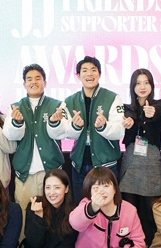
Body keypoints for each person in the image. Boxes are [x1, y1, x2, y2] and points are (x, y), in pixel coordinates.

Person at [48, 56, 124, 201]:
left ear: (99, 74)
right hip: (79, 165)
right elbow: (65, 132)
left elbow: (120, 131)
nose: (89, 74)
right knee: (81, 206)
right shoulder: (70, 101)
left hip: (105, 165)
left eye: (93, 70)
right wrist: (75, 126)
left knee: (106, 205)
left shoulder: (113, 98)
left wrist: (104, 126)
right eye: (84, 70)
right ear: (78, 75)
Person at [3, 64, 65, 221]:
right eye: (29, 79)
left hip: (50, 171)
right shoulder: (15, 107)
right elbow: (10, 135)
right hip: (25, 173)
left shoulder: (57, 105)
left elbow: (64, 132)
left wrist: (54, 123)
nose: (34, 82)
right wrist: (17, 123)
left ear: (45, 82)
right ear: (24, 84)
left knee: (53, 214)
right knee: (24, 214)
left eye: (38, 78)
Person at [120, 68, 161, 248]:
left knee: (151, 210)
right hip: (131, 161)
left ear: (152, 85)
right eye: (138, 83)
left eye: (146, 82)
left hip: (151, 162)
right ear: (132, 86)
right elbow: (130, 116)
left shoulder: (159, 105)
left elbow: (158, 111)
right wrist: (130, 120)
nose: (142, 86)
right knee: (129, 208)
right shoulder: (126, 108)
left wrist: (151, 112)